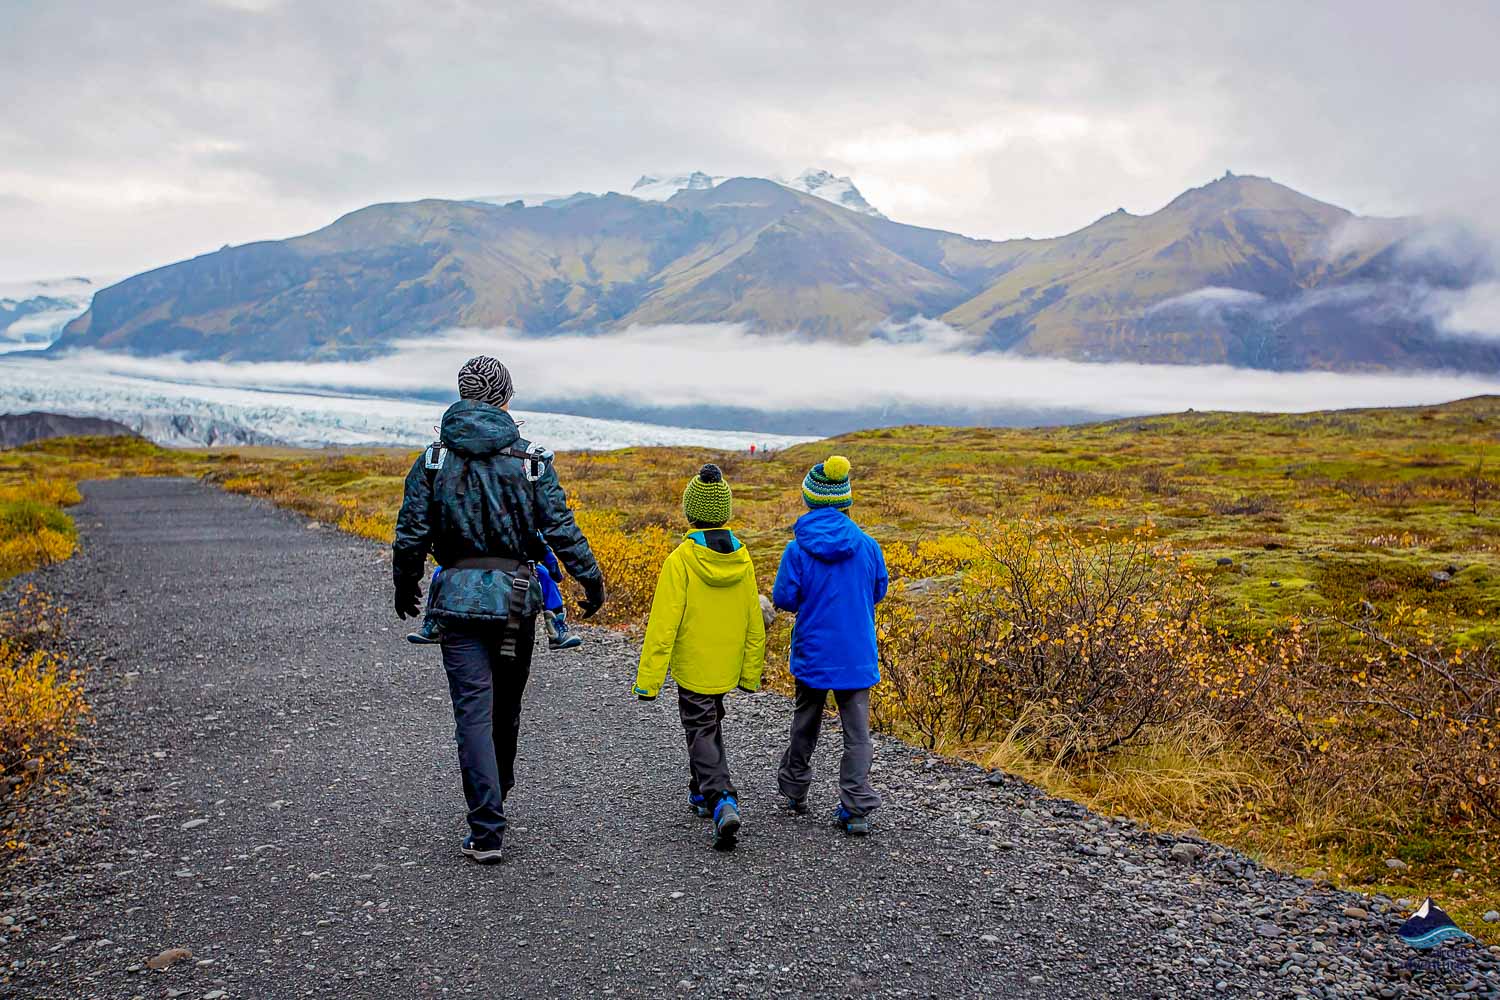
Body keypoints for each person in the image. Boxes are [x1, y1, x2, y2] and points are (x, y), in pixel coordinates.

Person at [393, 356, 605, 864]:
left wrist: (406, 584)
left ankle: (487, 826)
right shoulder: (531, 460)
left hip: (459, 604)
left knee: (473, 711)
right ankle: (496, 796)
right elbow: (559, 527)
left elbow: (411, 533)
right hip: (515, 605)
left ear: (464, 394)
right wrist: (590, 578)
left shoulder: (434, 461)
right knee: (505, 710)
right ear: (505, 398)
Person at [632, 464, 765, 850]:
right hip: (726, 665)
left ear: (690, 513)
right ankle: (699, 789)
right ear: (724, 513)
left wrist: (649, 681)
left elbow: (663, 625)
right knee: (711, 722)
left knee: (701, 727)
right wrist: (750, 673)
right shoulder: (743, 560)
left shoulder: (680, 560)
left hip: (693, 666)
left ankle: (722, 798)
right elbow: (754, 622)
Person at [771, 455, 888, 836]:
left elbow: (785, 598)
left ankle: (794, 790)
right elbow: (879, 590)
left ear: (810, 501)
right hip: (855, 655)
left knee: (806, 722)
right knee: (858, 734)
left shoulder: (797, 550)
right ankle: (855, 808)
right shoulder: (869, 547)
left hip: (814, 653)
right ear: (845, 501)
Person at [407, 537, 583, 650]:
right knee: (440, 573)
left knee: (544, 575)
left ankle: (555, 626)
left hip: (511, 560)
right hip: (480, 560)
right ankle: (434, 620)